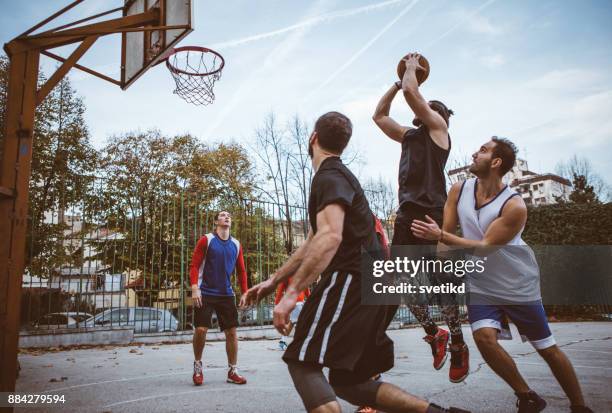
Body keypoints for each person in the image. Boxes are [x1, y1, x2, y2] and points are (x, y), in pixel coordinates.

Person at [241, 111, 469, 413]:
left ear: (313, 139)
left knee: (302, 362)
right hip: (376, 286)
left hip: (353, 279)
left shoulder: (329, 176)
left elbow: (330, 237)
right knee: (351, 382)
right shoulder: (338, 177)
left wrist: (292, 294)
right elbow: (313, 240)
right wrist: (274, 281)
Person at [410, 137, 593, 413]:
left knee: (546, 348)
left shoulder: (514, 206)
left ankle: (580, 406)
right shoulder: (459, 191)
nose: (474, 152)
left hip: (517, 283)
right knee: (484, 338)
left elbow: (485, 247)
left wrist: (441, 235)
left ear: (496, 162)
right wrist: (440, 261)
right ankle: (527, 395)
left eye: (482, 150)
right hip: (482, 281)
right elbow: (445, 239)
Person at [372, 53, 468, 383]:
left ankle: (458, 341)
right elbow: (379, 116)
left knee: (442, 285)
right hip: (406, 215)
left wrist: (411, 72)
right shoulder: (409, 137)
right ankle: (435, 333)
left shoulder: (440, 131)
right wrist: (397, 83)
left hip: (433, 215)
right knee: (401, 281)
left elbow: (414, 96)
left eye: (428, 108)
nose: (422, 111)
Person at [190, 210, 248, 386]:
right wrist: (194, 288)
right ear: (216, 221)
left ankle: (232, 370)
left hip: (226, 294)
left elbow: (241, 271)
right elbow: (194, 265)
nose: (227, 217)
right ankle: (198, 365)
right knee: (201, 330)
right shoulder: (206, 240)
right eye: (223, 215)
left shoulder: (236, 244)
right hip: (205, 292)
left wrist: (245, 291)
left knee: (231, 332)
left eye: (229, 215)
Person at [276, 278, 310, 350]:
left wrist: (277, 302)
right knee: (300, 324)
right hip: (297, 303)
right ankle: (299, 344)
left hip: (291, 303)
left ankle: (282, 342)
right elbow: (306, 289)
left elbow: (280, 289)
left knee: (292, 322)